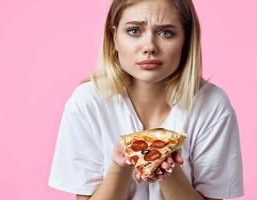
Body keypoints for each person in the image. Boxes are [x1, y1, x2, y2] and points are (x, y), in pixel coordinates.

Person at [48, 0, 244, 199]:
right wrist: (120, 165)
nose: (149, 47)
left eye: (166, 33)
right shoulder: (87, 102)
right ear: (114, 37)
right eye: (134, 31)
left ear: (186, 40)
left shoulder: (212, 105)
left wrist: (168, 170)